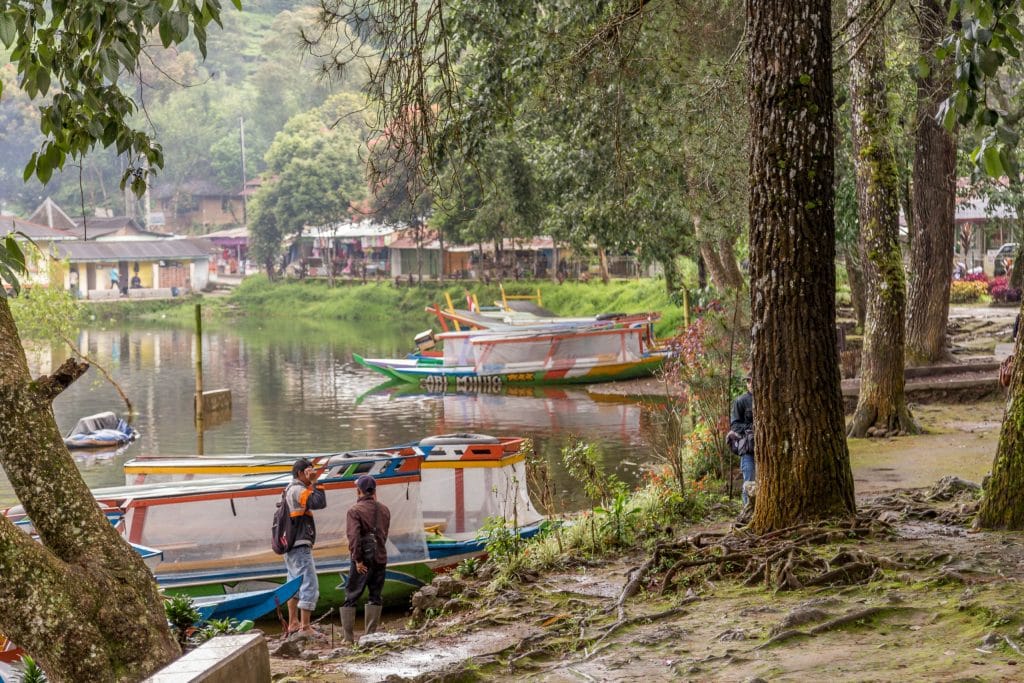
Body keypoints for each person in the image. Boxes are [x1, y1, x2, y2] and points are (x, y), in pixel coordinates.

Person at [342, 474, 391, 644]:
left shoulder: (354, 511)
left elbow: (353, 538)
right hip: (380, 557)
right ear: (374, 491)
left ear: (359, 491)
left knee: (351, 596)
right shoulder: (384, 509)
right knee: (375, 596)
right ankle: (370, 637)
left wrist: (357, 560)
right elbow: (384, 534)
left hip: (363, 559)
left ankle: (348, 639)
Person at [284, 458, 326, 639]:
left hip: (291, 545)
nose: (312, 474)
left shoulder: (288, 489)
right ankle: (305, 626)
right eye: (309, 471)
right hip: (299, 546)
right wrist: (316, 483)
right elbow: (318, 502)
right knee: (309, 583)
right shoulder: (298, 490)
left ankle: (293, 623)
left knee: (294, 584)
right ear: (301, 473)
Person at [729, 374, 755, 506]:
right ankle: (746, 513)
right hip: (748, 449)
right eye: (748, 381)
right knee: (749, 483)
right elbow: (734, 425)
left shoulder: (769, 399)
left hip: (768, 450)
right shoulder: (740, 401)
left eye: (753, 380)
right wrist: (752, 428)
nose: (750, 383)